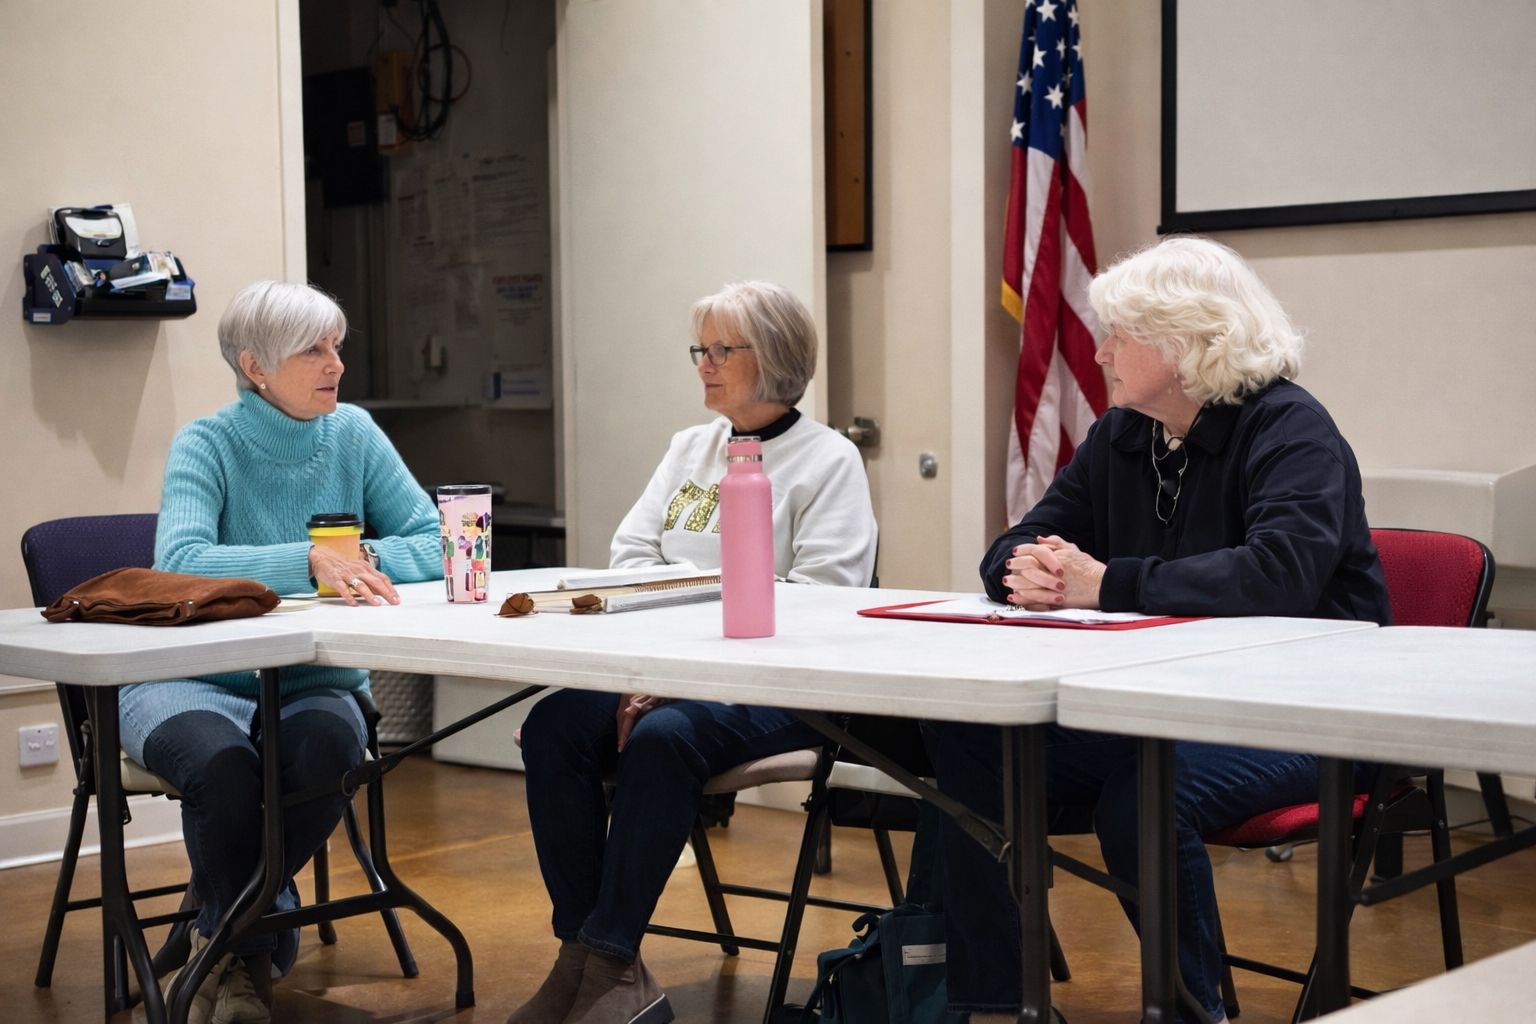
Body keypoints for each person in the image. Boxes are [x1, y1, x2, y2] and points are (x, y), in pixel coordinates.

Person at [930, 237, 1390, 1024]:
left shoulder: (1291, 429)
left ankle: (1189, 1010)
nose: (1102, 352)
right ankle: (998, 1003)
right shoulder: (1126, 434)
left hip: (1309, 710)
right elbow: (1025, 537)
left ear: (1184, 343)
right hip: (1172, 701)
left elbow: (1277, 576)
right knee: (972, 742)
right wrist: (1020, 570)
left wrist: (1105, 583)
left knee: (1142, 798)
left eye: (1119, 335)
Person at [511, 281, 877, 1024]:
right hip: (664, 670)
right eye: (699, 350)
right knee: (554, 725)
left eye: (721, 350)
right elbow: (629, 557)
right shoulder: (691, 447)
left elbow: (820, 600)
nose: (703, 365)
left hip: (790, 687)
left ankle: (611, 958)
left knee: (666, 735)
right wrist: (663, 665)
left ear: (771, 357)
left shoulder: (827, 459)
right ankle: (580, 953)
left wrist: (681, 654)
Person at [119, 281, 443, 1024]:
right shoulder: (207, 442)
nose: (336, 364)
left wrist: (348, 555)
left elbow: (435, 542)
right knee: (224, 769)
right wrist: (308, 560)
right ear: (255, 367)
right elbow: (184, 561)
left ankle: (219, 925)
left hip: (311, 676)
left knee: (331, 748)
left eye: (337, 347)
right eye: (313, 351)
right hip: (189, 678)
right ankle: (250, 948)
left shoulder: (355, 434)